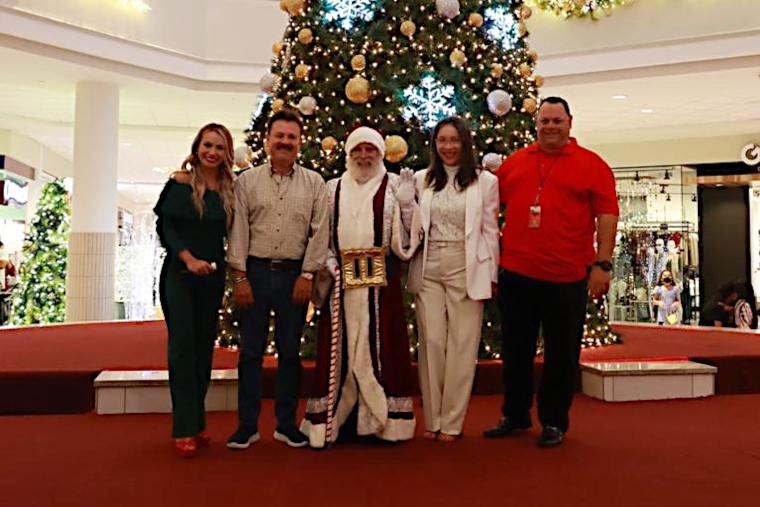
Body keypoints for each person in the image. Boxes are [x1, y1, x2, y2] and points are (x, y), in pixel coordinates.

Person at [485, 97, 619, 448]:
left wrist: (603, 265)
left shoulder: (592, 165)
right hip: (516, 274)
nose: (550, 126)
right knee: (515, 351)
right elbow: (485, 209)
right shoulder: (515, 163)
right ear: (536, 123)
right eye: (544, 120)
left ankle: (554, 421)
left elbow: (607, 216)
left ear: (570, 123)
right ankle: (514, 414)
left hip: (567, 276)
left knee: (562, 354)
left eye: (557, 120)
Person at [300, 126, 421, 449]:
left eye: (371, 150)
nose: (364, 156)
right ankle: (338, 419)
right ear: (349, 153)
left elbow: (408, 240)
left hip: (381, 288)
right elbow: (320, 234)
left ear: (381, 153)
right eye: (358, 150)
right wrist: (328, 263)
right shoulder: (331, 189)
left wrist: (408, 208)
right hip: (341, 285)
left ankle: (385, 421)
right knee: (341, 350)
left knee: (382, 348)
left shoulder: (397, 187)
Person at [227, 109, 329, 449]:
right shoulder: (246, 181)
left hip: (293, 277)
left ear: (300, 143)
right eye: (279, 136)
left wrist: (307, 275)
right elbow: (238, 229)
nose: (285, 142)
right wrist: (239, 277)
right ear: (267, 140)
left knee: (290, 354)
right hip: (254, 273)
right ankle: (247, 426)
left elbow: (320, 232)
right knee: (250, 354)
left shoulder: (314, 183)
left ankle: (286, 424)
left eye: (291, 137)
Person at [407, 117, 500, 442]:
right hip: (429, 266)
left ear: (465, 143)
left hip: (467, 265)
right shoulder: (422, 180)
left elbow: (490, 230)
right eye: (441, 140)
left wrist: (490, 274)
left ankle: (453, 421)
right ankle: (432, 419)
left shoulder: (484, 181)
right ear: (434, 144)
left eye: (453, 140)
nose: (447, 147)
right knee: (431, 342)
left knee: (462, 343)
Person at [154, 123, 236, 458]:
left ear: (226, 152)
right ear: (197, 147)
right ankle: (183, 428)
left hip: (211, 279)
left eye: (219, 147)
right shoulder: (180, 182)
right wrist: (187, 259)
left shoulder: (231, 188)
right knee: (183, 351)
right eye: (207, 145)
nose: (212, 152)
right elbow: (165, 226)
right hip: (180, 276)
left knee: (203, 351)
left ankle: (197, 421)